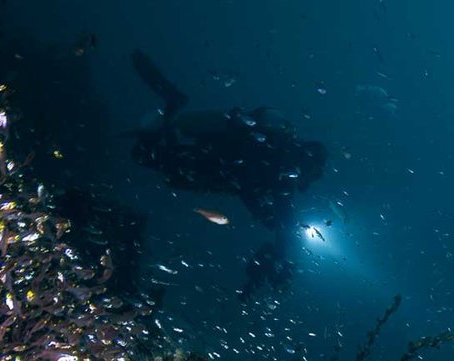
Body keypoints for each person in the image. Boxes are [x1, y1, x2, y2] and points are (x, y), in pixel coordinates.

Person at [126, 50, 327, 298]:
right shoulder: (279, 163)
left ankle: (170, 113)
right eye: (315, 173)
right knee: (147, 153)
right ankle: (173, 106)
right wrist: (264, 215)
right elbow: (250, 185)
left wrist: (279, 246)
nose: (311, 180)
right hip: (210, 159)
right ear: (307, 162)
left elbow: (283, 218)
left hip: (212, 166)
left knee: (152, 156)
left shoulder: (282, 173)